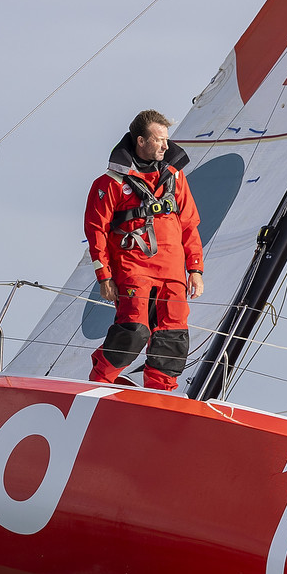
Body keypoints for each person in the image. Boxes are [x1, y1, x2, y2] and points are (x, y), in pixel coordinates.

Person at [85, 109, 204, 390]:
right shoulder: (110, 183)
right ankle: (100, 381)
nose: (166, 146)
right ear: (141, 141)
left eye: (166, 139)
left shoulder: (176, 178)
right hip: (133, 269)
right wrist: (104, 276)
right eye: (159, 140)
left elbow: (189, 224)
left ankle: (160, 393)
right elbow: (96, 231)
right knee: (133, 331)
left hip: (173, 270)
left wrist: (196, 269)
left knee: (173, 335)